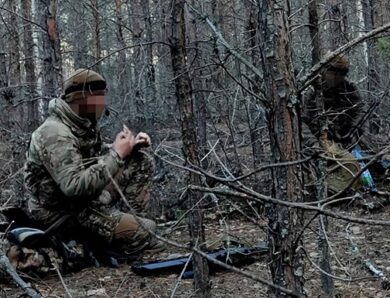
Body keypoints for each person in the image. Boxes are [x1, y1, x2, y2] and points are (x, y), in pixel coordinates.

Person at [23, 68, 163, 257]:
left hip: (84, 202)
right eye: (98, 97)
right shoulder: (54, 133)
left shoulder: (80, 123)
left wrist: (129, 148)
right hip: (59, 213)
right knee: (147, 231)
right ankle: (124, 240)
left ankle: (127, 228)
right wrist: (116, 155)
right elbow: (73, 187)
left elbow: (87, 158)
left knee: (140, 160)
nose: (102, 103)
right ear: (81, 98)